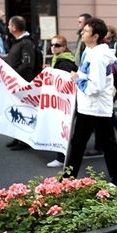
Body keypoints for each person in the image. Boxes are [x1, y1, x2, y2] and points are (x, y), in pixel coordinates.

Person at [63, 17, 117, 187]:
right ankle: (67, 179)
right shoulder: (89, 50)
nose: (81, 32)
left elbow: (95, 87)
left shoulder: (98, 56)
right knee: (78, 144)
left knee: (108, 145)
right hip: (88, 107)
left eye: (85, 31)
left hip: (97, 107)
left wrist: (77, 80)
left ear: (95, 36)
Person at [3, 15, 36, 151]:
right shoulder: (17, 41)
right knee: (16, 109)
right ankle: (17, 137)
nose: (8, 27)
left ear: (15, 27)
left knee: (24, 112)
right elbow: (15, 59)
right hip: (15, 82)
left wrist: (13, 73)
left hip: (23, 82)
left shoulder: (26, 43)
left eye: (9, 25)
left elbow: (27, 64)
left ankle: (25, 140)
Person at [45, 35, 78, 168]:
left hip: (64, 102)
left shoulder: (64, 62)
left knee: (63, 129)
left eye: (57, 45)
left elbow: (64, 84)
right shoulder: (57, 60)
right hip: (61, 101)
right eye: (51, 45)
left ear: (64, 47)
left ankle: (62, 157)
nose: (53, 47)